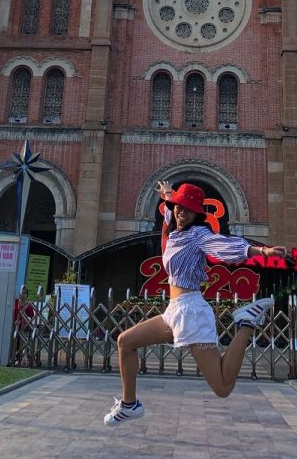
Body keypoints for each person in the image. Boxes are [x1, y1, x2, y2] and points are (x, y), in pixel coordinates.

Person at [104, 180, 287, 426]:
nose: (182, 211)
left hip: (191, 312)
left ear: (197, 214)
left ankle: (246, 322)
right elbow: (170, 211)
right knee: (125, 341)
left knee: (222, 386)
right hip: (174, 312)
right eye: (179, 206)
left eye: (188, 209)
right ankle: (130, 405)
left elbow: (226, 246)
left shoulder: (198, 235)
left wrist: (262, 252)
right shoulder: (174, 230)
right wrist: (168, 194)